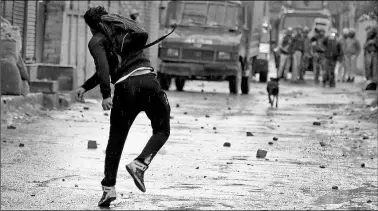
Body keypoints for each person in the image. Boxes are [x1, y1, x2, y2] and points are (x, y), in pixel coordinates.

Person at [76, 6, 171, 207]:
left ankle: (109, 190)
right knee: (162, 129)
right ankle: (140, 164)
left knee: (116, 141)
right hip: (149, 83)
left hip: (126, 89)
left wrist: (105, 95)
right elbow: (105, 70)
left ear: (91, 26)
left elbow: (103, 68)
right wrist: (85, 87)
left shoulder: (97, 41)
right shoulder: (125, 32)